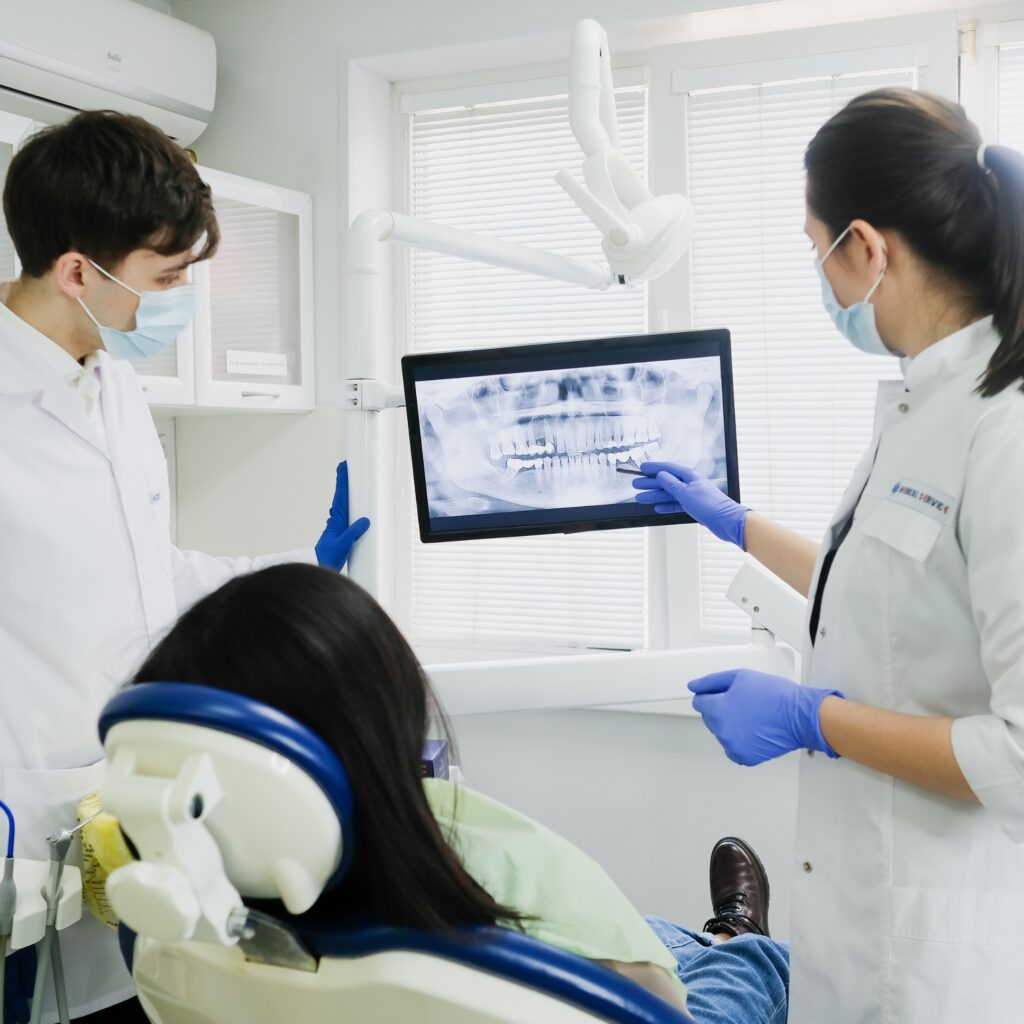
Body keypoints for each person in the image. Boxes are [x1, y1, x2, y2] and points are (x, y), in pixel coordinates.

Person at [633, 87, 1024, 1021]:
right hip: (860, 922)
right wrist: (734, 523)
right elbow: (892, 599)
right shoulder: (921, 405)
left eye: (818, 252)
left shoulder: (1002, 429)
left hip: (936, 957)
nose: (823, 278)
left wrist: (816, 719)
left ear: (868, 247)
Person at [0, 111, 369, 1024]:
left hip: (114, 799)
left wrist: (294, 570)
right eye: (165, 279)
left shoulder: (113, 385)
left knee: (134, 1001)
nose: (178, 303)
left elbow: (140, 570)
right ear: (79, 271)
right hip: (16, 807)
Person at [125, 562, 789, 1024]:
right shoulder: (505, 869)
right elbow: (658, 1007)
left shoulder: (180, 927)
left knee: (654, 932)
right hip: (623, 988)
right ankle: (739, 935)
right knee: (742, 969)